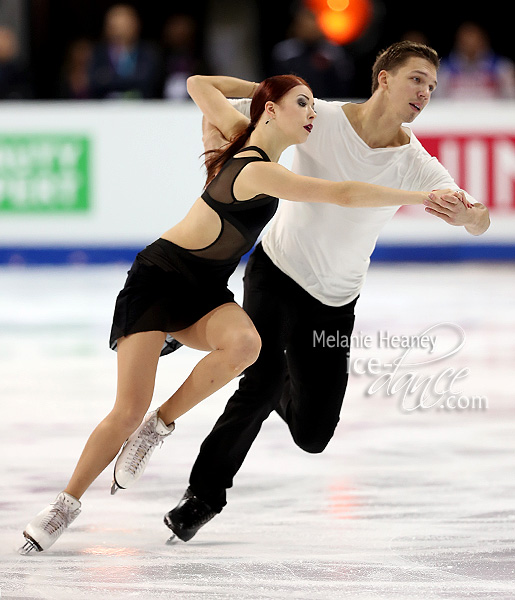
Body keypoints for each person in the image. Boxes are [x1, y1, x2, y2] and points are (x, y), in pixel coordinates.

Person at [18, 72, 454, 555]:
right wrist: (421, 197)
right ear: (271, 111)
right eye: (303, 104)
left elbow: (198, 87)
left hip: (206, 288)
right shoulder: (259, 168)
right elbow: (344, 193)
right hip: (159, 280)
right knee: (126, 409)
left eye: (313, 105)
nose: (313, 114)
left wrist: (260, 95)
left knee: (246, 345)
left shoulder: (241, 135)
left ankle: (158, 426)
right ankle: (64, 504)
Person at [155, 41, 488, 543]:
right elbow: (226, 94)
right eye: (417, 79)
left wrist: (470, 216)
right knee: (259, 383)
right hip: (277, 271)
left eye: (432, 87)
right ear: (384, 78)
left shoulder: (416, 161)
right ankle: (203, 495)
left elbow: (478, 217)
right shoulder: (320, 118)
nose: (425, 92)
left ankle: (274, 373)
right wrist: (251, 94)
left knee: (313, 436)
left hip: (334, 303)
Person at [89, 4, 161, 99]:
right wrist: (132, 80)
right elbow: (95, 82)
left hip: (143, 108)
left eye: (124, 26)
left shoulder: (149, 52)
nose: (119, 32)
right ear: (107, 28)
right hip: (105, 110)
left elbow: (148, 81)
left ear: (136, 25)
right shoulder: (98, 53)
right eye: (115, 27)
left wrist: (109, 79)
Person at [436, 21, 515, 100]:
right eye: (466, 39)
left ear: (483, 40)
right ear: (458, 41)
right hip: (454, 111)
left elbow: (511, 97)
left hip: (493, 111)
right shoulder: (444, 68)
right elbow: (437, 99)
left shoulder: (502, 66)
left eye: (474, 37)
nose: (470, 43)